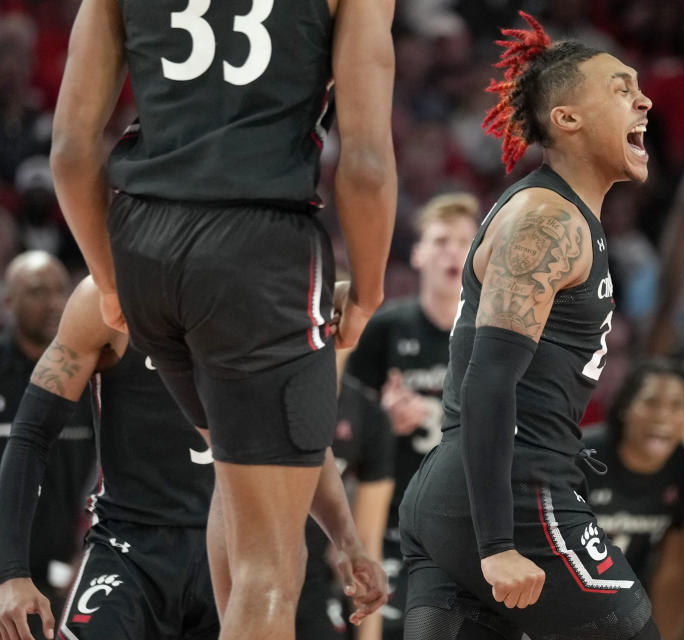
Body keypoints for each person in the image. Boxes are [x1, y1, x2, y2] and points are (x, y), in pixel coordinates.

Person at [49, 0, 396, 637]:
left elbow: (71, 153)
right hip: (259, 248)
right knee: (273, 566)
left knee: (235, 474)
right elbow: (368, 168)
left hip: (143, 242)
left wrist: (107, 279)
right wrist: (369, 293)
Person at [398, 12, 662, 638]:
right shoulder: (548, 218)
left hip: (464, 487)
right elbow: (491, 381)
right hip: (514, 495)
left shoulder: (562, 216)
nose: (644, 99)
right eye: (621, 88)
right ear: (567, 118)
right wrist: (496, 543)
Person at [0, 277, 395, 640]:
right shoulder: (110, 292)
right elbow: (32, 432)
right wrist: (10, 571)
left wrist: (346, 540)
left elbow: (296, 435)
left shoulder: (268, 297)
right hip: (131, 547)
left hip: (236, 552)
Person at [345, 191, 479, 639]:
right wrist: (379, 420)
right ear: (418, 254)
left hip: (464, 521)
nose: (453, 251)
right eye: (440, 240)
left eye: (464, 241)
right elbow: (342, 420)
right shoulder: (385, 329)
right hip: (391, 514)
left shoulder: (492, 337)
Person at [0, 251, 96, 636]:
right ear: (8, 300)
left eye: (61, 291)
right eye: (38, 292)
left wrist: (86, 551)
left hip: (64, 565)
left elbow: (102, 473)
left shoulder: (90, 382)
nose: (55, 302)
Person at [581, 359, 684, 640]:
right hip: (566, 601)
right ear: (624, 408)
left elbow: (673, 570)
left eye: (677, 406)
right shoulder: (583, 456)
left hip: (629, 607)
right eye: (651, 402)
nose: (663, 417)